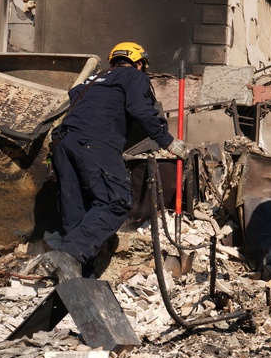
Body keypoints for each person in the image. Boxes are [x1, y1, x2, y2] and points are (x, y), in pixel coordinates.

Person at [37, 42, 189, 280]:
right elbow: (141, 109)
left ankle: (78, 275)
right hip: (96, 142)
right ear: (139, 64)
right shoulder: (133, 76)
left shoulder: (90, 83)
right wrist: (167, 141)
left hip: (64, 145)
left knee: (77, 210)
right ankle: (69, 255)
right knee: (116, 201)